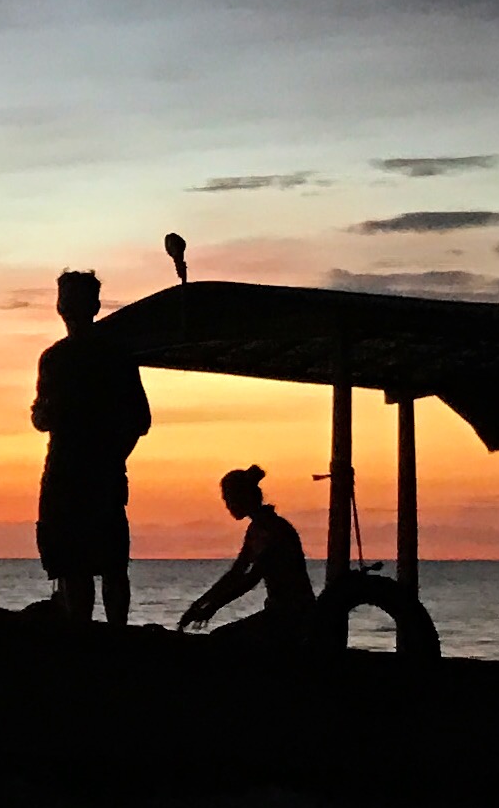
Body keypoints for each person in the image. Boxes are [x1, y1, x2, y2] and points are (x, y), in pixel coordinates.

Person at [29, 268, 149, 624]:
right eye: (65, 299)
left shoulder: (115, 356)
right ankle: (84, 634)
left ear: (94, 305)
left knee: (109, 563)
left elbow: (140, 420)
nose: (69, 307)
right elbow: (40, 417)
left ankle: (113, 637)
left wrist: (112, 456)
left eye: (76, 299)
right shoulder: (54, 359)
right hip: (64, 473)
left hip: (98, 474)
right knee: (71, 564)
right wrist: (44, 415)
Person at [178, 465, 317, 641]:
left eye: (228, 498)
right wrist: (199, 604)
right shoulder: (257, 528)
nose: (227, 504)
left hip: (294, 616)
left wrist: (212, 607)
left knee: (223, 639)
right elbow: (236, 572)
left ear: (242, 497)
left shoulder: (271, 529)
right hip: (280, 612)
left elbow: (251, 578)